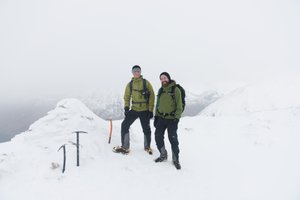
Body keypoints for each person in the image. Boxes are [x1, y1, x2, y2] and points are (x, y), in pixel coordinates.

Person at [113, 65, 155, 155]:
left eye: (138, 71)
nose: (136, 73)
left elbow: (152, 96)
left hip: (145, 110)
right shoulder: (130, 84)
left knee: (146, 129)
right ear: (132, 73)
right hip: (134, 109)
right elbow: (127, 97)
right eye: (135, 71)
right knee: (124, 125)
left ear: (140, 72)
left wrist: (151, 110)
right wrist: (126, 108)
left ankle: (147, 147)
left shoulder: (146, 83)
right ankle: (125, 147)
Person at [153, 72, 183, 169]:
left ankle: (175, 159)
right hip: (161, 118)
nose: (163, 80)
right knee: (158, 136)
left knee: (173, 139)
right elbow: (158, 105)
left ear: (168, 78)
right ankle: (163, 155)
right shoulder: (160, 90)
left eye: (165, 78)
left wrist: (176, 118)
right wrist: (156, 117)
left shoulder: (175, 90)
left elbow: (180, 106)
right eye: (161, 78)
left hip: (172, 119)